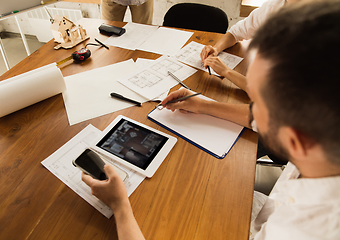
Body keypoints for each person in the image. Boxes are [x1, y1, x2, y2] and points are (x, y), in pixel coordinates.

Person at [82, 1, 340, 239]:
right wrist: (202, 105)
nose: (254, 111)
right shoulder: (322, 134)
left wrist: (120, 206)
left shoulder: (304, 230)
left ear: (294, 137)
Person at [200, 0, 300, 91]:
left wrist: (227, 72)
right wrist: (216, 49)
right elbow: (236, 32)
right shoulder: (272, 7)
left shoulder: (310, 29)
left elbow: (268, 93)